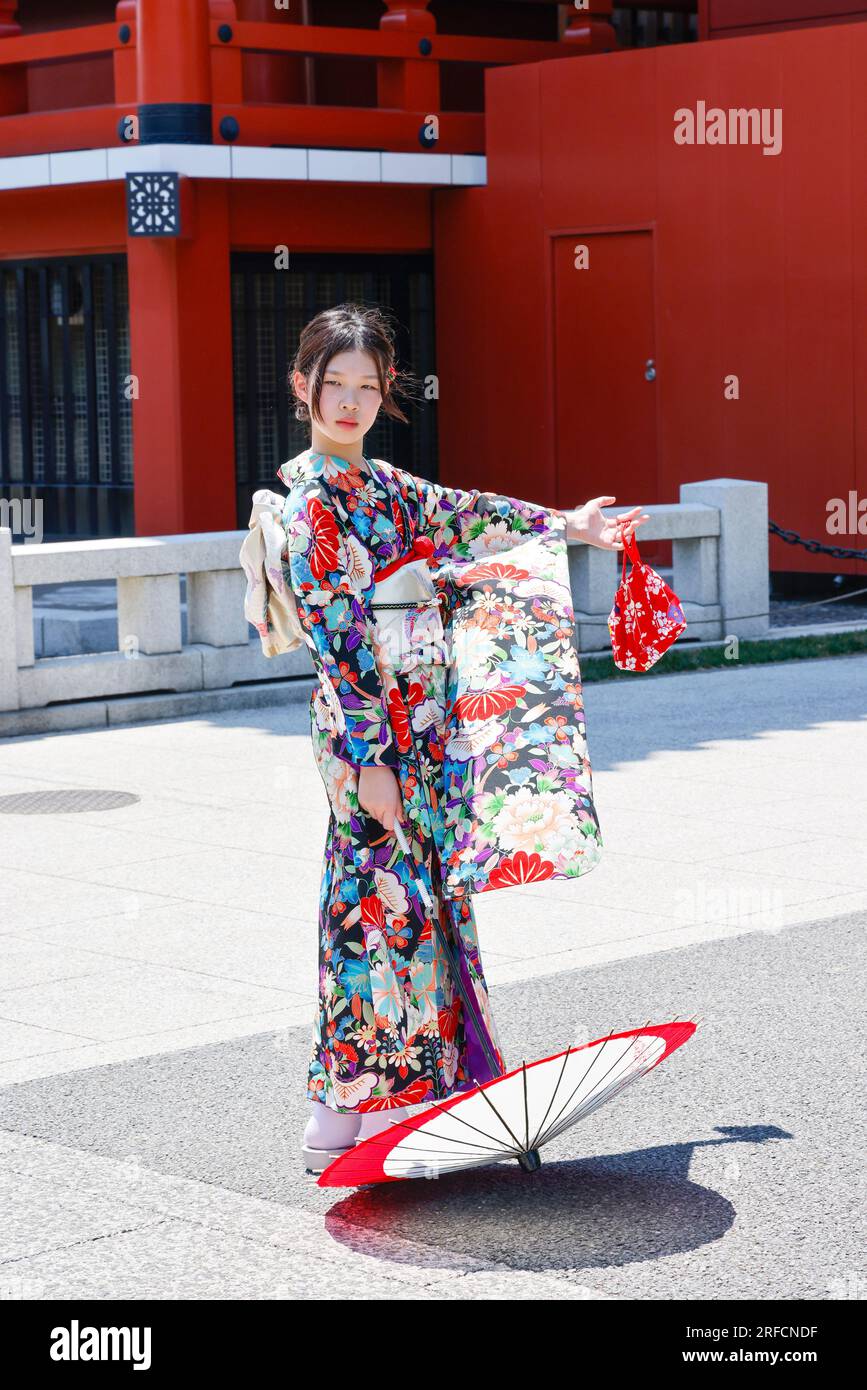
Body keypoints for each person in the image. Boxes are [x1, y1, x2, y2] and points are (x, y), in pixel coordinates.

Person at [280, 303, 649, 1172]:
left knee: (425, 903)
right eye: (334, 384)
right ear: (303, 387)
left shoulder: (386, 489)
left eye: (367, 387)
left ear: (384, 394)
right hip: (361, 733)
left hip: (422, 727)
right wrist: (368, 760)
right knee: (374, 911)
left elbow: (472, 516)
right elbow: (336, 641)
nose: (350, 402)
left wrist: (568, 525)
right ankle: (355, 1107)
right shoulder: (308, 509)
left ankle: (399, 1100)